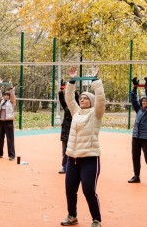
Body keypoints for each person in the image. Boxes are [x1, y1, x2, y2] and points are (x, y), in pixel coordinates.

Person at [61, 65, 104, 227]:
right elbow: (69, 98)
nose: (82, 99)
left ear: (91, 102)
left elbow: (101, 99)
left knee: (88, 190)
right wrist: (72, 80)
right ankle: (72, 216)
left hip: (90, 159)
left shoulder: (96, 113)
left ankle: (96, 219)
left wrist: (95, 80)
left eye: (85, 98)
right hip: (72, 158)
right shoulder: (76, 112)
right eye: (81, 98)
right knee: (70, 190)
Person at [127, 77, 147, 183]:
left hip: (146, 138)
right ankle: (136, 176)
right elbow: (134, 99)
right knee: (135, 157)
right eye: (143, 100)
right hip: (136, 137)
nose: (144, 101)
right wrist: (135, 87)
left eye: (146, 100)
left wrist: (146, 88)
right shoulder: (139, 109)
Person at [58, 80, 79, 174]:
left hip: (74, 130)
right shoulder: (66, 106)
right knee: (65, 149)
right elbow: (62, 99)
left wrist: (73, 89)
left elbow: (76, 98)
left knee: (74, 150)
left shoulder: (77, 106)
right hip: (66, 130)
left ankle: (74, 166)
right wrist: (62, 89)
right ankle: (64, 166)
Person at [0, 78, 16, 161]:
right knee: (0, 138)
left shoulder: (12, 102)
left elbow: (13, 94)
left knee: (10, 139)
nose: (6, 96)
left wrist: (11, 85)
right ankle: (0, 152)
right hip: (1, 122)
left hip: (9, 122)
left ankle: (12, 155)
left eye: (7, 95)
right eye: (5, 95)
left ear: (9, 97)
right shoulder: (2, 101)